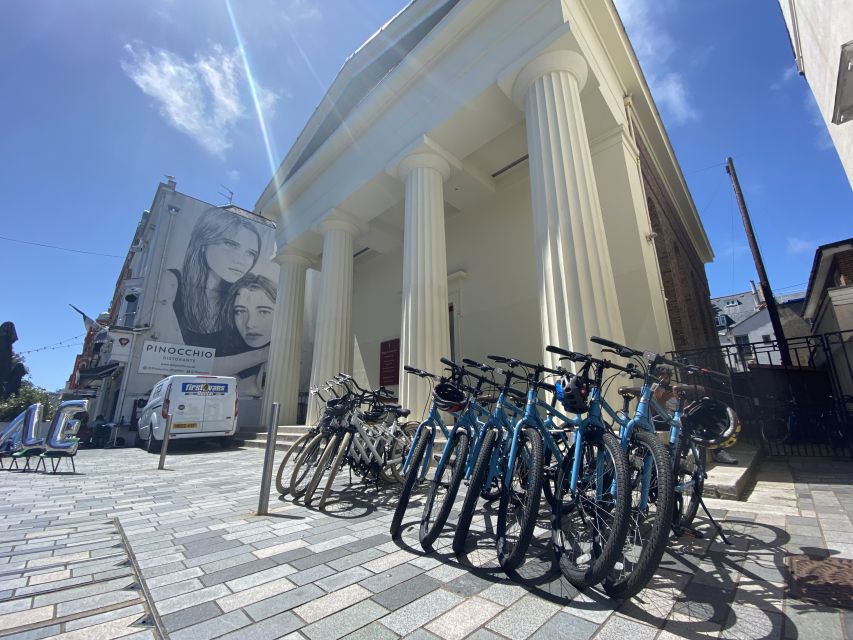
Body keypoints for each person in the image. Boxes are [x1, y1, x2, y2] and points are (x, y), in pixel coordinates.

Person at [157, 208, 270, 373]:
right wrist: (265, 355)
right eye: (230, 244)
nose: (241, 260)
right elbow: (175, 366)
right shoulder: (171, 283)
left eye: (250, 253)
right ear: (204, 242)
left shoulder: (241, 296)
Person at [216, 274, 277, 397]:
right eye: (240, 311)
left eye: (263, 312)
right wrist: (265, 353)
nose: (250, 324)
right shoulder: (220, 343)